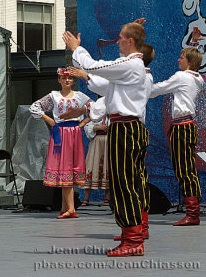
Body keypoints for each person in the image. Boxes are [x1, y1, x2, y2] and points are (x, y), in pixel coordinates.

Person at [61, 21, 148, 257]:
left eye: (120, 37)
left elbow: (95, 66)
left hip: (125, 128)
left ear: (130, 41)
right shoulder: (131, 67)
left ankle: (132, 240)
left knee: (124, 183)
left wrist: (76, 49)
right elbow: (104, 84)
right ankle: (134, 235)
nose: (116, 40)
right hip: (127, 127)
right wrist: (86, 74)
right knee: (127, 182)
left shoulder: (131, 64)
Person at [149, 31, 204, 226]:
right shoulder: (196, 78)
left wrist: (141, 83)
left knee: (184, 169)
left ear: (188, 61)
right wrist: (194, 44)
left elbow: (157, 89)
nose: (178, 60)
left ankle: (193, 214)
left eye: (181, 57)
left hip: (182, 127)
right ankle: (193, 211)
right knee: (188, 168)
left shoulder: (182, 77)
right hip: (187, 125)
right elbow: (196, 61)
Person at [29, 68, 91, 219]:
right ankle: (67, 208)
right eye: (64, 78)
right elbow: (34, 107)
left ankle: (68, 208)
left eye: (70, 78)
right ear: (59, 80)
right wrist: (49, 119)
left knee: (69, 167)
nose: (67, 80)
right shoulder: (54, 96)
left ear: (73, 80)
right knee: (64, 168)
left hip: (74, 133)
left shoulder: (80, 96)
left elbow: (95, 109)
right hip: (60, 133)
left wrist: (82, 123)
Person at [82, 116, 110, 206]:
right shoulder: (96, 114)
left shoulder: (114, 112)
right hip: (96, 143)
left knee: (108, 166)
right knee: (91, 165)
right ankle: (86, 198)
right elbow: (86, 126)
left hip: (109, 142)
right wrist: (96, 127)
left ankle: (107, 198)